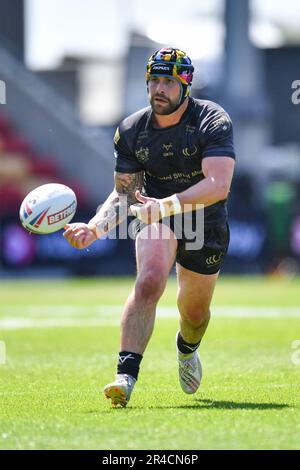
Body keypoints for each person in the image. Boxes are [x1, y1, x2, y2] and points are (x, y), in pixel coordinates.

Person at [63, 47, 235, 407]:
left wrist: (167, 205)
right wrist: (94, 229)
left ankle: (186, 349)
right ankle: (125, 377)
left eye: (169, 81)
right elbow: (124, 193)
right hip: (156, 216)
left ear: (185, 86)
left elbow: (218, 185)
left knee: (195, 314)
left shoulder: (211, 120)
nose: (159, 88)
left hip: (205, 218)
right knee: (150, 280)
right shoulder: (130, 130)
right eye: (154, 79)